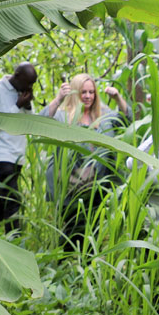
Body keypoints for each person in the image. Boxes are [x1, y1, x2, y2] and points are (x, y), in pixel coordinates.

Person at [39, 73, 133, 246]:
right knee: (71, 228)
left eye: (91, 92)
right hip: (70, 182)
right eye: (83, 92)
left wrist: (118, 98)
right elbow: (39, 122)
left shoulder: (103, 114)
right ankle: (66, 263)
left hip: (98, 182)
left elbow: (128, 121)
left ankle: (87, 265)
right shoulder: (63, 115)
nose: (88, 96)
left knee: (93, 229)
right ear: (75, 93)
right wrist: (59, 98)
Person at [0, 62, 37, 233]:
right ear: (17, 75)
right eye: (28, 82)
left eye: (32, 84)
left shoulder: (23, 92)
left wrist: (27, 105)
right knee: (13, 199)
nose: (30, 87)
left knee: (2, 198)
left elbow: (31, 121)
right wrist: (17, 106)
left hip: (16, 153)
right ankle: (15, 239)